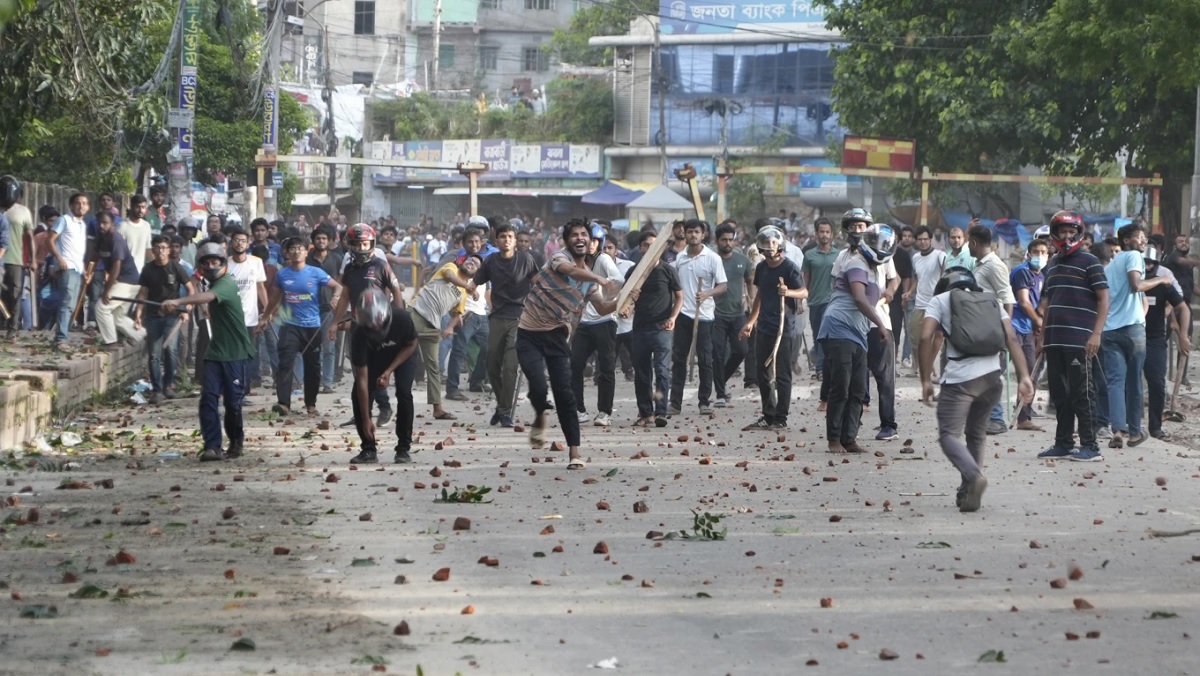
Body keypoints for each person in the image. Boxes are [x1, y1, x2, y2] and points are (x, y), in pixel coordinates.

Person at [920, 267, 1033, 512]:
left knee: (949, 435)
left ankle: (973, 476)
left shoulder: (940, 300)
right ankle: (968, 489)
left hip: (961, 380)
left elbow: (925, 337)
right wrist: (1024, 376)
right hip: (993, 378)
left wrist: (925, 379)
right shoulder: (991, 300)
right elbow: (1011, 337)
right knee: (976, 433)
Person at [517, 219, 621, 468]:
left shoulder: (590, 282)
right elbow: (572, 272)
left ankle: (575, 452)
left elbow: (604, 306)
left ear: (592, 241)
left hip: (556, 337)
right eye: (573, 234)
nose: (579, 238)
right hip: (528, 334)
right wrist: (604, 280)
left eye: (584, 234)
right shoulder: (558, 258)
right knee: (539, 387)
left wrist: (625, 300)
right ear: (567, 241)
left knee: (565, 395)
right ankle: (541, 413)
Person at [162, 243, 256, 462]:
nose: (211, 266)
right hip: (215, 352)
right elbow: (201, 298)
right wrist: (176, 306)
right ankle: (212, 446)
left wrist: (178, 300)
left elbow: (207, 298)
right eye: (207, 263)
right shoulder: (211, 284)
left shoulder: (226, 283)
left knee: (233, 404)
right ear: (201, 267)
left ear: (223, 264)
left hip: (236, 353)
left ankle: (236, 441)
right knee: (208, 398)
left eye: (215, 262)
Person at [1036, 211, 1110, 462]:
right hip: (1055, 341)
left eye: (1071, 232)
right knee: (1060, 395)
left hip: (1080, 341)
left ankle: (1091, 446)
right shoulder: (1053, 265)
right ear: (1054, 235)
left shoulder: (1090, 262)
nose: (1067, 237)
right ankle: (1064, 443)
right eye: (1062, 232)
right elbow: (1047, 304)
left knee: (1082, 394)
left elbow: (1103, 299)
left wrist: (1096, 334)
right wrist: (1042, 337)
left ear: (1078, 234)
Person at [328, 223, 406, 425]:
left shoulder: (381, 265)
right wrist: (335, 322)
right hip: (357, 325)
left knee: (376, 370)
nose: (362, 248)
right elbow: (344, 296)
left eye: (366, 244)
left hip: (380, 327)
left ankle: (385, 407)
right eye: (358, 244)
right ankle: (362, 413)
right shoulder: (350, 270)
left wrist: (398, 317)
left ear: (371, 244)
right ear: (350, 245)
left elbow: (396, 290)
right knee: (358, 371)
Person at [1101, 223, 1169, 448]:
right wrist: (1160, 280)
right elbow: (1136, 285)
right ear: (1127, 240)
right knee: (1134, 382)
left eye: (1144, 238)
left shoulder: (1111, 265)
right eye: (1139, 237)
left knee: (1115, 382)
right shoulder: (1133, 257)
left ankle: (1117, 431)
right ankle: (1133, 431)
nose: (1143, 241)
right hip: (1132, 329)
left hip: (1110, 329)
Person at [260, 237, 340, 417]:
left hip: (313, 326)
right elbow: (274, 298)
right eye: (292, 249)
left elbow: (338, 287)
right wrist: (266, 317)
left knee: (313, 366)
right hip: (290, 325)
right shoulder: (282, 274)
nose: (296, 251)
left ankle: (310, 404)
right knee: (285, 363)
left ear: (306, 252)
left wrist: (335, 298)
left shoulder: (316, 272)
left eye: (300, 248)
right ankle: (283, 403)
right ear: (287, 253)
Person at [740, 225, 807, 431]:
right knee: (763, 372)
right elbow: (760, 295)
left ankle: (781, 417)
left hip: (783, 327)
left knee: (783, 373)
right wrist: (751, 321)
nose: (769, 248)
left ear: (780, 245)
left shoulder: (789, 268)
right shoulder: (761, 268)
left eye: (773, 244)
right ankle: (768, 415)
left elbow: (804, 292)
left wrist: (787, 292)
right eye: (766, 244)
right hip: (765, 327)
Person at [474, 220, 539, 428]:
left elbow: (538, 282)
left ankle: (504, 412)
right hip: (497, 317)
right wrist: (470, 290)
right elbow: (475, 282)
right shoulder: (491, 261)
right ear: (497, 240)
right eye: (503, 237)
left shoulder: (526, 259)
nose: (507, 240)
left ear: (515, 240)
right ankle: (502, 406)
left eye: (510, 237)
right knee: (492, 365)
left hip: (520, 317)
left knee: (510, 366)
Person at [407, 251, 479, 421]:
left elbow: (457, 315)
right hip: (416, 313)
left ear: (476, 273)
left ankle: (437, 409)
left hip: (433, 324)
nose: (471, 263)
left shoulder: (462, 294)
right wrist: (468, 287)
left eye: (475, 265)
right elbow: (449, 276)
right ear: (462, 262)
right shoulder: (450, 267)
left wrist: (449, 328)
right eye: (470, 261)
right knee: (399, 353)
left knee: (433, 367)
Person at [669, 219, 728, 416]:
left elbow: (723, 286)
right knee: (679, 359)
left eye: (696, 232)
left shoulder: (712, 258)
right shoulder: (679, 258)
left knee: (705, 359)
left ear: (703, 235)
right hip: (683, 314)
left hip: (704, 316)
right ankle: (675, 402)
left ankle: (704, 401)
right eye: (689, 232)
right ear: (684, 234)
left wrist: (707, 293)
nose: (693, 235)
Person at [569, 224, 624, 426]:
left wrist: (606, 297)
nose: (589, 244)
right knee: (575, 365)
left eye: (593, 240)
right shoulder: (576, 262)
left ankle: (604, 412)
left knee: (606, 368)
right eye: (585, 239)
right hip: (583, 321)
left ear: (599, 243)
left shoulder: (604, 259)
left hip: (604, 321)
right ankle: (578, 409)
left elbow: (618, 280)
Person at [624, 237, 681, 427]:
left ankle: (661, 412)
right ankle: (645, 413)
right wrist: (630, 301)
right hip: (640, 328)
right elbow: (626, 304)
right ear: (640, 248)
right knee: (642, 373)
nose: (650, 248)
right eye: (646, 245)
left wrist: (673, 318)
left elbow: (680, 297)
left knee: (662, 371)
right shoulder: (634, 272)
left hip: (662, 328)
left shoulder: (668, 270)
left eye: (654, 244)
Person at [968, 225, 1017, 435]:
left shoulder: (994, 265)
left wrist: (1005, 332)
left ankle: (996, 419)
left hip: (993, 329)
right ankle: (986, 418)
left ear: (973, 243)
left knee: (990, 375)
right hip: (980, 327)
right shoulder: (980, 265)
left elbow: (1007, 299)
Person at [134, 235, 195, 403]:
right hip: (153, 316)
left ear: (168, 250)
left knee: (171, 351)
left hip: (172, 316)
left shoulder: (176, 268)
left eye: (163, 248)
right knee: (154, 354)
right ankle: (157, 389)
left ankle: (168, 385)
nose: (160, 251)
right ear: (153, 250)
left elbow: (191, 289)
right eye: (157, 248)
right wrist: (138, 314)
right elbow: (143, 294)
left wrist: (187, 309)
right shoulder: (148, 269)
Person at [1143, 244, 1190, 439]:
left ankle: (1155, 426)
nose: (1147, 268)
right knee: (1128, 384)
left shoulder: (1164, 284)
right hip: (1130, 337)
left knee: (1156, 384)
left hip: (1155, 339)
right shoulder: (1129, 282)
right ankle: (1124, 425)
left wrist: (1183, 335)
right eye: (1144, 264)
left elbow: (1184, 308)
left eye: (1151, 264)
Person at [445, 228, 492, 401]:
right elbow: (450, 287)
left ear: (482, 244)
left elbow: (486, 289)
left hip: (482, 314)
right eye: (470, 242)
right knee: (459, 351)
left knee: (488, 348)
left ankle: (476, 382)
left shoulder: (484, 263)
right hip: (465, 314)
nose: (474, 245)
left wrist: (490, 308)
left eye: (477, 242)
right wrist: (455, 314)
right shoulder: (458, 262)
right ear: (464, 243)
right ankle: (452, 389)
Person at [1010, 238, 1049, 431]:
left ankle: (1023, 416)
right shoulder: (1022, 272)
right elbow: (1024, 302)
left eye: (1043, 252)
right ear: (1029, 253)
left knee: (1030, 373)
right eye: (1036, 252)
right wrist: (1038, 321)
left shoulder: (1041, 275)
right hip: (1013, 327)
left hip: (1027, 330)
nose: (1039, 256)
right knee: (997, 371)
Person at [713, 222, 753, 407]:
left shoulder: (742, 260)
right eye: (724, 240)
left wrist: (752, 300)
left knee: (741, 351)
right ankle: (720, 393)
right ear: (717, 241)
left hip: (738, 313)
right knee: (718, 353)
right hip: (715, 314)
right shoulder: (712, 260)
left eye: (731, 239)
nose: (728, 243)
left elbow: (750, 280)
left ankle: (721, 379)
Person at [223, 228, 268, 387]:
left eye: (243, 240)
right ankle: (231, 385)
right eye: (236, 240)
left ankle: (245, 388)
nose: (239, 243)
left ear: (248, 244)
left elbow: (260, 287)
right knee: (231, 354)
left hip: (250, 317)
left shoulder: (256, 262)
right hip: (229, 318)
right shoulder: (225, 265)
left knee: (249, 354)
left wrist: (267, 311)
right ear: (231, 243)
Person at [48, 193, 90, 352]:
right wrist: (59, 259)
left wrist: (84, 269)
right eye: (78, 203)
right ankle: (60, 339)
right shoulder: (64, 220)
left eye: (84, 203)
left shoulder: (82, 225)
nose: (81, 206)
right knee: (66, 303)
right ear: (71, 206)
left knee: (72, 305)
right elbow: (49, 240)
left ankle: (62, 336)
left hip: (78, 268)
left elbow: (78, 249)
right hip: (67, 267)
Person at [903, 226, 946, 377]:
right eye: (920, 240)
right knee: (915, 337)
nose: (923, 242)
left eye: (925, 239)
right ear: (916, 241)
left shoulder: (939, 255)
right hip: (920, 303)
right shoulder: (916, 258)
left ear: (930, 239)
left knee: (936, 336)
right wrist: (909, 291)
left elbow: (945, 269)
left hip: (936, 303)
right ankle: (922, 364)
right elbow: (917, 278)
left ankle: (927, 366)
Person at [801, 218, 839, 388]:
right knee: (819, 336)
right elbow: (806, 281)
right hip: (815, 301)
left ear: (832, 234)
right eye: (821, 232)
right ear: (816, 234)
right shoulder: (809, 255)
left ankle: (822, 368)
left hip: (833, 302)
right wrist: (801, 300)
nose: (824, 235)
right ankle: (821, 365)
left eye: (827, 232)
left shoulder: (839, 255)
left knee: (829, 335)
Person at [307, 226, 343, 393]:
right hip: (309, 308)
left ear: (329, 241)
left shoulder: (336, 259)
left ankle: (327, 383)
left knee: (329, 346)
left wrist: (336, 299)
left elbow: (341, 282)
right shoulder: (306, 259)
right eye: (318, 238)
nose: (321, 241)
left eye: (324, 239)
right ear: (313, 241)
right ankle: (312, 380)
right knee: (312, 346)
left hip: (329, 308)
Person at [119, 195, 153, 276]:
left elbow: (148, 249)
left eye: (143, 207)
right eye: (137, 207)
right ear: (132, 207)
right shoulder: (122, 226)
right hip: (124, 272)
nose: (141, 210)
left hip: (140, 273)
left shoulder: (146, 226)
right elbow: (117, 252)